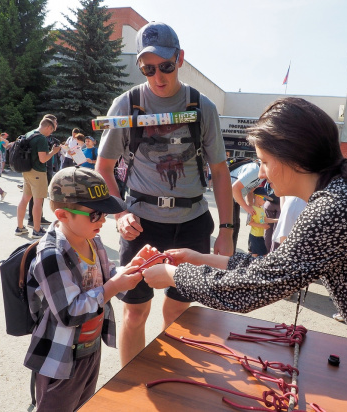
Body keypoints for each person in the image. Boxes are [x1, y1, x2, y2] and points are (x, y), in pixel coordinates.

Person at [142, 97, 347, 412]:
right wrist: (198, 258)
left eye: (264, 162)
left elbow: (258, 287)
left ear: (293, 159)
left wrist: (174, 276)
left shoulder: (337, 206)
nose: (260, 173)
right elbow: (275, 270)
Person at [95, 21, 233, 366]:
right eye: (148, 68)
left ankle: (172, 382)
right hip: (143, 223)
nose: (158, 76)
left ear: (180, 59)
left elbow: (219, 171)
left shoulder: (203, 107)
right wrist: (119, 212)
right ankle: (134, 384)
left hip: (192, 223)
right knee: (136, 313)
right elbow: (103, 167)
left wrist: (228, 232)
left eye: (166, 66)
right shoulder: (126, 105)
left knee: (178, 313)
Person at [24, 166, 149, 412]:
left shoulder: (92, 239)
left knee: (83, 404)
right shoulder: (51, 255)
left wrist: (132, 269)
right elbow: (69, 313)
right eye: (95, 215)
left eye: (104, 213)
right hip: (59, 357)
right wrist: (114, 285)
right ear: (62, 215)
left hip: (90, 349)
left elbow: (107, 275)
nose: (103, 220)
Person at [16, 115, 61, 238]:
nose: (50, 133)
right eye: (51, 130)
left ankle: (19, 227)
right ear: (47, 127)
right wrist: (53, 152)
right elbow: (43, 159)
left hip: (27, 170)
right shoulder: (41, 139)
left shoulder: (29, 133)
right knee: (38, 201)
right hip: (38, 172)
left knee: (24, 199)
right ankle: (36, 230)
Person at [230, 159, 264, 250]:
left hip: (236, 196)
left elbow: (250, 190)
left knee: (236, 225)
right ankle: (227, 256)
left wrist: (251, 207)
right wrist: (246, 207)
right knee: (230, 226)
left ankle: (231, 254)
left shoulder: (263, 176)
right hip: (227, 194)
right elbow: (234, 188)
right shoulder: (255, 170)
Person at [246, 187, 277, 257]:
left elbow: (265, 219)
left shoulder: (261, 209)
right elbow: (249, 222)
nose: (265, 201)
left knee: (256, 254)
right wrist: (262, 226)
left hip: (259, 236)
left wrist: (277, 220)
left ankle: (250, 265)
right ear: (257, 197)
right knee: (261, 254)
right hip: (255, 236)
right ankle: (251, 266)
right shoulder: (252, 209)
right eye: (264, 199)